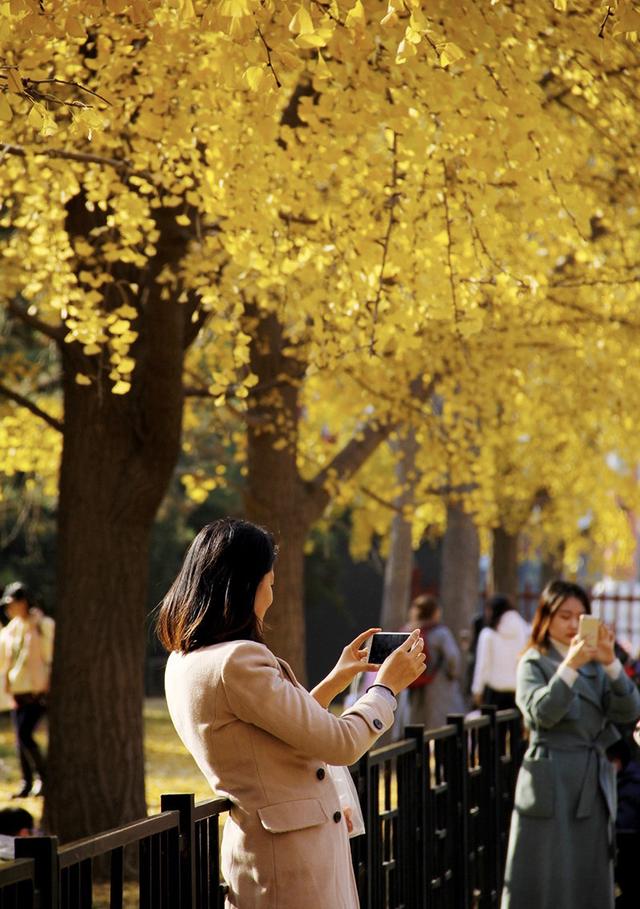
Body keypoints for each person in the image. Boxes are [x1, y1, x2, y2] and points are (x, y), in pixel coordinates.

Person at [158, 518, 425, 909]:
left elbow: (278, 733)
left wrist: (338, 678)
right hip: (290, 858)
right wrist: (385, 689)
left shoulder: (185, 660)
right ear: (245, 586)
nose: (271, 596)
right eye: (269, 583)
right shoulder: (238, 660)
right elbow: (341, 744)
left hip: (270, 849)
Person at [500, 580, 640, 909]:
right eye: (564, 616)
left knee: (588, 871)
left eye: (580, 617)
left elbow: (629, 710)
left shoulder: (597, 665)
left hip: (591, 780)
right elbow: (541, 713)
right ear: (545, 617)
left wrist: (611, 663)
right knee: (544, 869)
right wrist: (570, 666)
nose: (572, 625)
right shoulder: (533, 662)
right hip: (550, 776)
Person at [0, 582, 55, 799]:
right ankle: (27, 782)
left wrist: (47, 686)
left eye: (12, 604)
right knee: (19, 737)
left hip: (37, 690)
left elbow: (49, 657)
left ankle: (43, 778)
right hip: (18, 690)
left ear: (23, 602)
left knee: (25, 734)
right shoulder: (13, 628)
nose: (8, 608)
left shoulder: (42, 624)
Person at [402, 594, 466, 730]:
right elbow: (453, 658)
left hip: (414, 686)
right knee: (441, 729)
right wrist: (452, 674)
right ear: (435, 612)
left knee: (416, 728)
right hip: (439, 687)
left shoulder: (408, 631)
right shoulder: (441, 633)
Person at [471, 595, 530, 710]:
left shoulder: (488, 634)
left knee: (491, 727)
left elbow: (483, 664)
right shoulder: (524, 629)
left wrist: (477, 690)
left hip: (494, 691)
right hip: (518, 689)